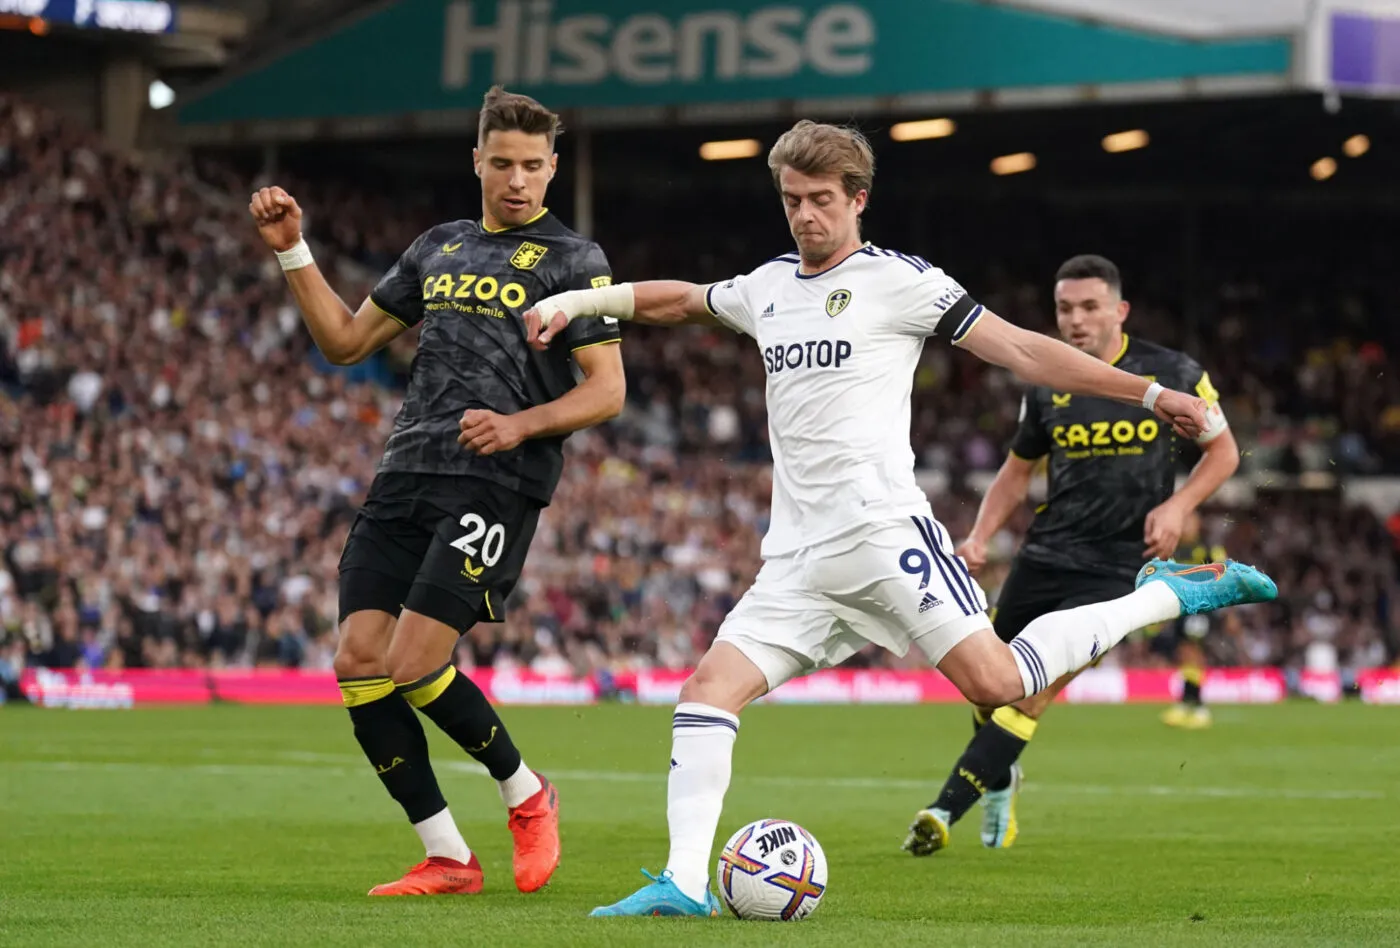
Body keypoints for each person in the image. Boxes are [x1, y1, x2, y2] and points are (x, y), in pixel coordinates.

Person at [521, 120, 1276, 918]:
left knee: (1000, 684)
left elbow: (1022, 350)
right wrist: (578, 299)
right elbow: (681, 301)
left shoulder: (902, 282)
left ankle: (1168, 595)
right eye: (790, 201)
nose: (804, 216)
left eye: (820, 200)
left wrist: (1150, 394)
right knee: (707, 693)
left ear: (858, 199)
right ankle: (684, 882)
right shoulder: (767, 286)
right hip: (799, 561)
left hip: (886, 537)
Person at [248, 87, 625, 896]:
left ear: (553, 168)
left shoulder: (575, 261)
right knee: (357, 661)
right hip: (405, 471)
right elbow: (346, 341)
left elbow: (607, 390)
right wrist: (293, 251)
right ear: (478, 162)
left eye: (532, 165)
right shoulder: (438, 248)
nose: (517, 180)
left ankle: (528, 796)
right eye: (502, 164)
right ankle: (448, 855)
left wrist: (521, 425)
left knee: (416, 661)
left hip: (497, 477)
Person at [907, 254, 1240, 856]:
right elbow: (1015, 473)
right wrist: (980, 535)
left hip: (1118, 564)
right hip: (1045, 553)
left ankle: (943, 809)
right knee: (988, 687)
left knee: (1032, 693)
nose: (1076, 320)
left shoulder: (1174, 373)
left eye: (1090, 307)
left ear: (1120, 310)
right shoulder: (1048, 384)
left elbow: (1223, 452)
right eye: (1065, 309)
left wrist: (1179, 506)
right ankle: (1002, 778)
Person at [1156, 510, 1229, 729]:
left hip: (1201, 608)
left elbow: (1224, 574)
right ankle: (1188, 704)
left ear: (1198, 524)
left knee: (1193, 652)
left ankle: (1196, 706)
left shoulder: (1207, 548)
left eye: (1191, 521)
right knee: (1184, 653)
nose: (1186, 525)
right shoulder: (1175, 548)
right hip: (1180, 609)